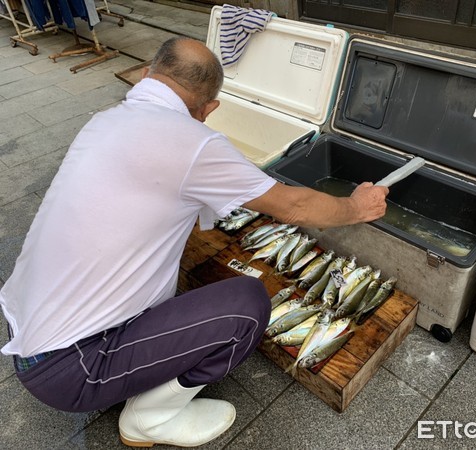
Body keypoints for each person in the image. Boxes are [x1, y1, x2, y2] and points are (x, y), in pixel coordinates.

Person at [0, 37, 388, 448]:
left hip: (28, 325)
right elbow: (292, 206)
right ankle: (148, 420)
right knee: (247, 305)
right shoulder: (194, 141)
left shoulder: (106, 119)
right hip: (72, 368)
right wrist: (357, 207)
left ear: (150, 73)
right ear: (209, 108)